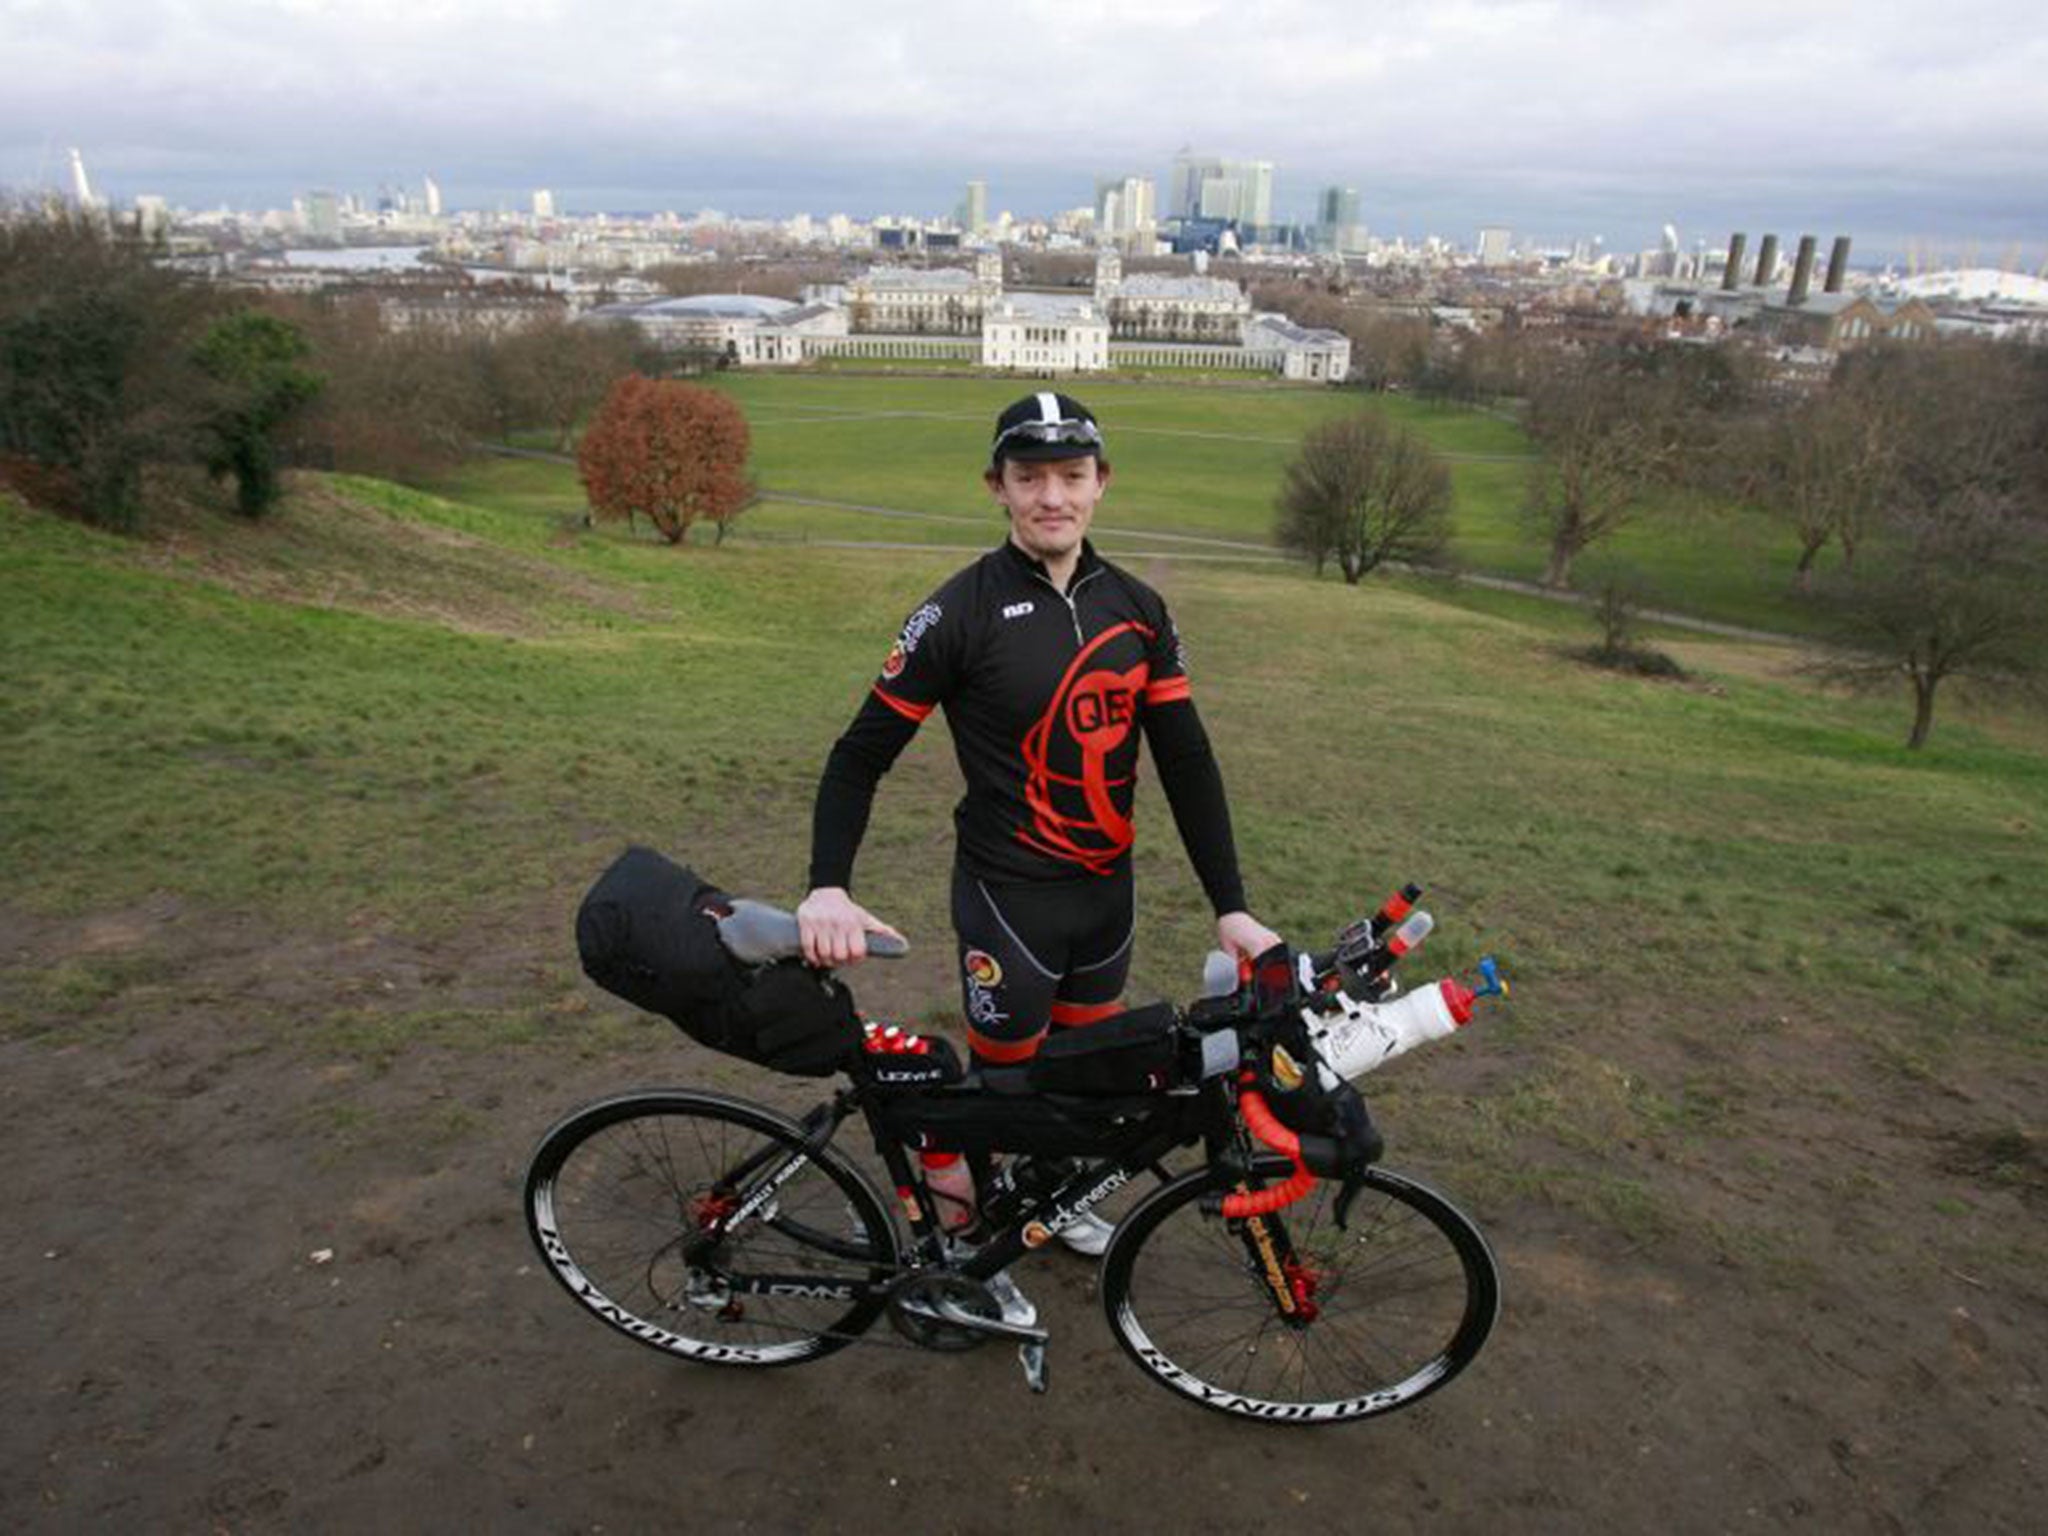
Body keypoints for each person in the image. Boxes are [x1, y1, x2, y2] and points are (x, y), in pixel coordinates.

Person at [797, 392, 1279, 1308]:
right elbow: (859, 755)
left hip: (1105, 900)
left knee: (1086, 1078)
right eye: (1029, 479)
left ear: (1101, 485)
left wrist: (1233, 905)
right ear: (998, 488)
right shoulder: (956, 614)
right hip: (1006, 901)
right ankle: (969, 1242)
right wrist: (828, 885)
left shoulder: (1138, 610)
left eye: (1070, 476)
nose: (1050, 497)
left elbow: (1186, 760)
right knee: (1005, 1086)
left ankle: (1052, 1202)